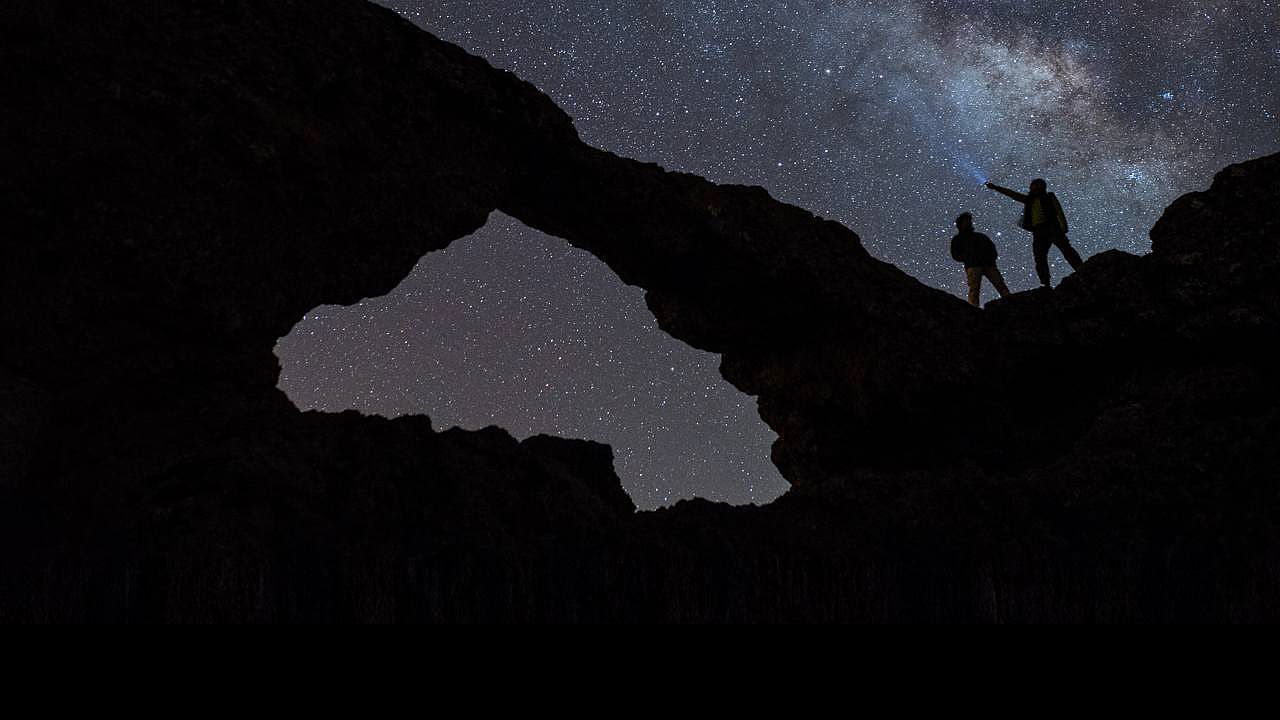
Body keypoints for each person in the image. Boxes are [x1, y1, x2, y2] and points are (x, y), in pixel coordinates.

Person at [985, 178, 1084, 287]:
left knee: (1066, 249)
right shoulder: (1029, 200)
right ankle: (1045, 283)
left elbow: (1059, 211)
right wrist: (995, 188)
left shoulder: (1049, 196)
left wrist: (1064, 227)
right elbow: (1012, 194)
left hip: (1052, 227)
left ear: (1040, 187)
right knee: (1040, 257)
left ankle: (1081, 269)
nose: (1031, 188)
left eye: (1034, 185)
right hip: (1038, 231)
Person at [950, 212, 1010, 307]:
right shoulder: (958, 239)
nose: (969, 223)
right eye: (966, 221)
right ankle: (974, 309)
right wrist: (967, 258)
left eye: (969, 221)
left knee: (999, 284)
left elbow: (992, 249)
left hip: (987, 264)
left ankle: (1010, 303)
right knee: (974, 289)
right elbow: (955, 255)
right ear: (960, 224)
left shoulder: (980, 236)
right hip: (973, 265)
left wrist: (991, 259)